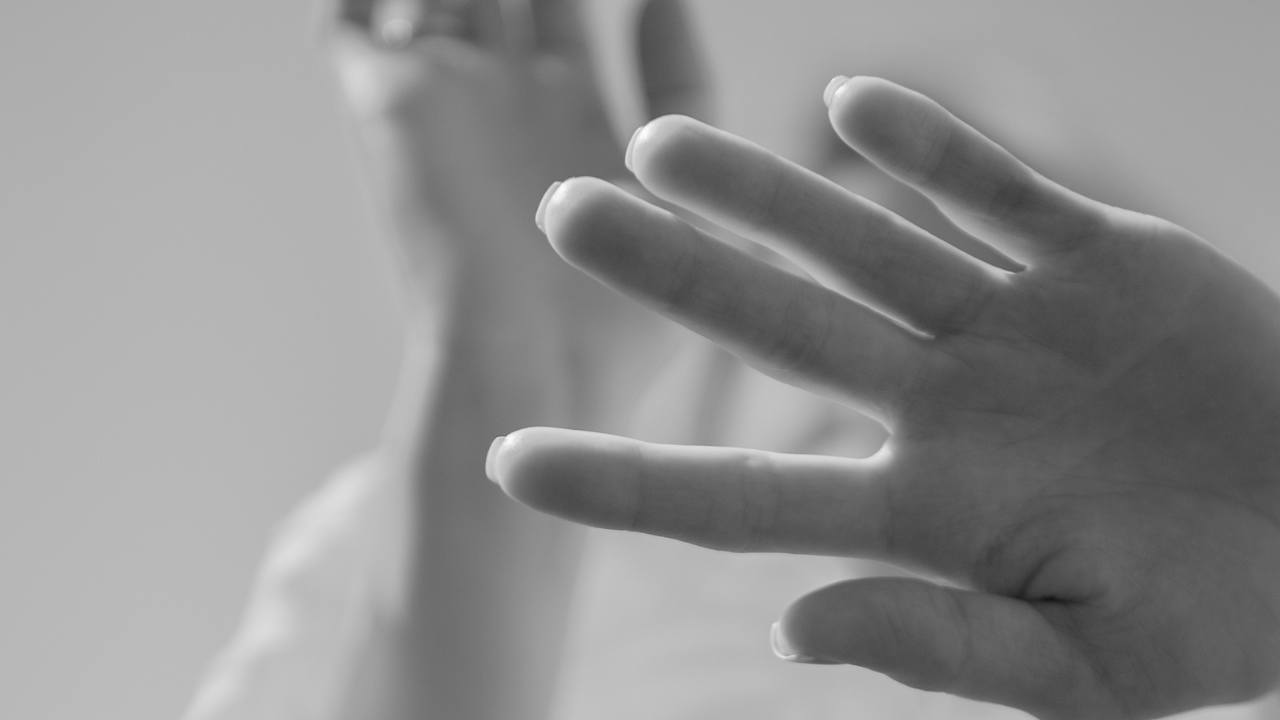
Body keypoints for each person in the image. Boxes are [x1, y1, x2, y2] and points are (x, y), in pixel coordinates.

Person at [186, 1, 1280, 718]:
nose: (977, 357)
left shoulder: (1211, 615)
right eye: (876, 248)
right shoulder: (401, 539)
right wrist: (505, 351)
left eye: (1023, 274)